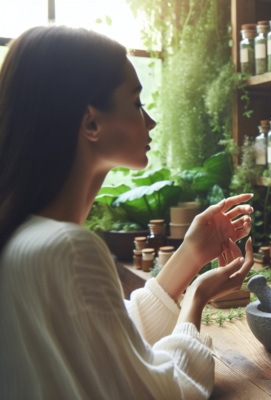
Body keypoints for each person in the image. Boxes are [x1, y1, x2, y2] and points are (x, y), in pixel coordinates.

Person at [0, 26, 255, 399]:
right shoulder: (68, 248)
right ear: (90, 122)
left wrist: (190, 255)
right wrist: (196, 297)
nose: (149, 121)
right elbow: (167, 393)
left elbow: (111, 336)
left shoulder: (24, 237)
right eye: (136, 103)